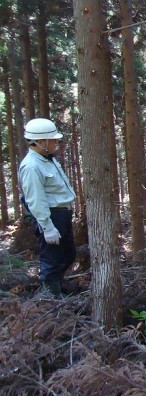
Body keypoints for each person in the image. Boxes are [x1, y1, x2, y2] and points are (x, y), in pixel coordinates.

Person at [19, 118, 77, 296]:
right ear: (41, 142)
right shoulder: (31, 166)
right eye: (53, 140)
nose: (56, 143)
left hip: (61, 215)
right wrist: (47, 227)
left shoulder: (47, 159)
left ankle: (57, 287)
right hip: (51, 217)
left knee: (67, 255)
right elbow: (35, 200)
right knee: (52, 260)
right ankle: (51, 298)